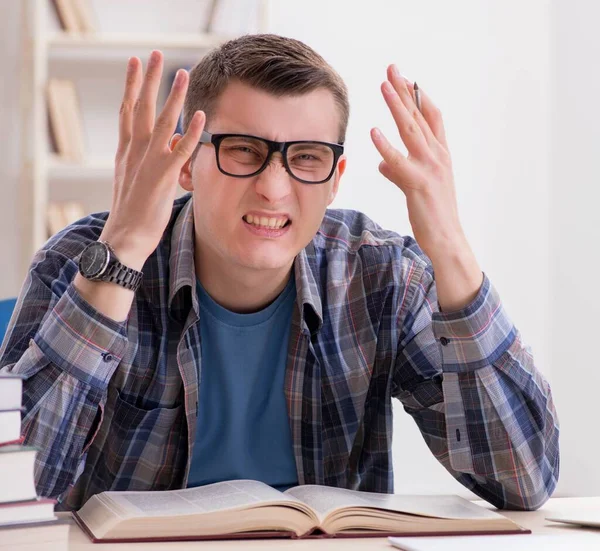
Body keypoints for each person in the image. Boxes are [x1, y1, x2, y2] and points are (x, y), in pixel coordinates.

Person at [0, 34, 559, 512]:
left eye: (307, 157)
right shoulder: (81, 262)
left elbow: (522, 482)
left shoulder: (383, 278)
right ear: (187, 161)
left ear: (336, 177)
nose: (274, 186)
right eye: (244, 151)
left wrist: (451, 248)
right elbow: (15, 494)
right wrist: (121, 257)